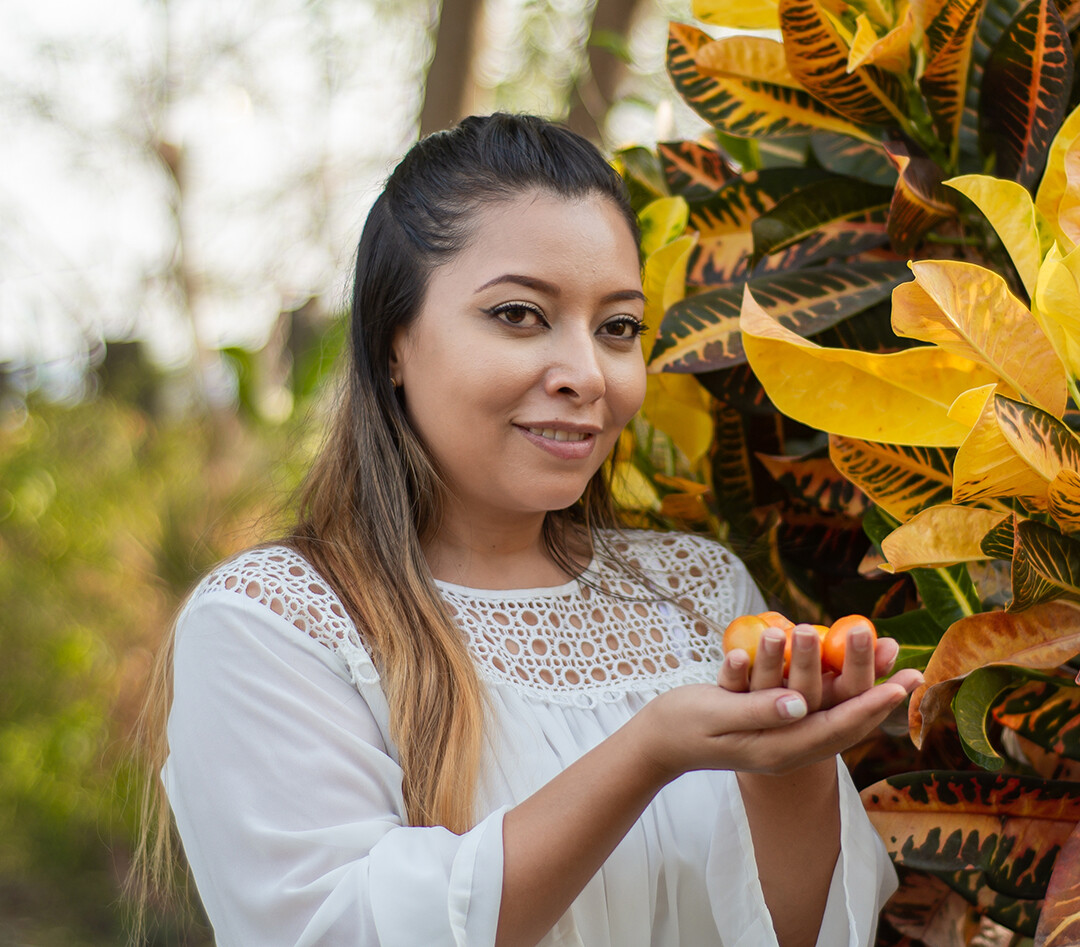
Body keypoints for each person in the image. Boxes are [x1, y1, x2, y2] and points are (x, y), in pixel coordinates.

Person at [137, 112, 922, 947]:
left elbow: (811, 934)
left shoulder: (697, 590)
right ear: (391, 340)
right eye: (519, 315)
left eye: (619, 327)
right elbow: (340, 931)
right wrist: (647, 751)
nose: (588, 375)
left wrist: (791, 760)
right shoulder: (275, 621)